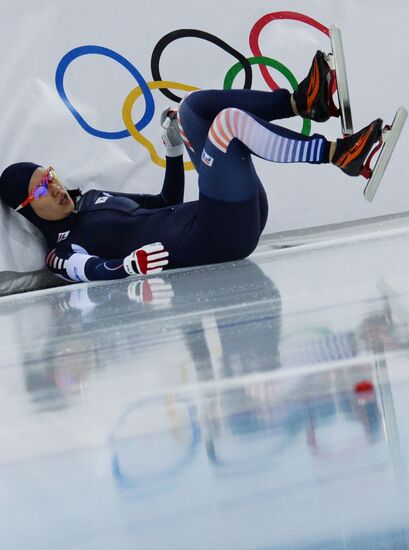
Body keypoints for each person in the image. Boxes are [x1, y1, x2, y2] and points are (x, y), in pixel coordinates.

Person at [0, 51, 384, 283]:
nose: (54, 187)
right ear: (26, 208)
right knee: (229, 124)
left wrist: (172, 151)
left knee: (193, 109)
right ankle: (340, 154)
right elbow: (88, 270)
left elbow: (165, 200)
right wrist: (127, 268)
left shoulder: (91, 200)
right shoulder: (59, 251)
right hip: (217, 236)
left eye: (49, 175)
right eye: (40, 189)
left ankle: (302, 103)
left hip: (216, 215)